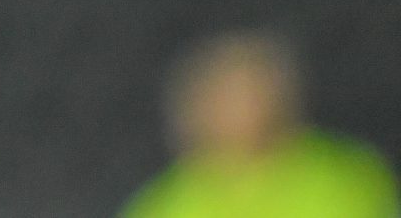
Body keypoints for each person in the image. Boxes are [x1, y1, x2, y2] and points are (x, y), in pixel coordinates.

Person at [121, 31, 398, 218]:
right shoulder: (166, 205)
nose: (239, 109)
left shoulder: (345, 180)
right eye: (222, 97)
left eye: (248, 93)